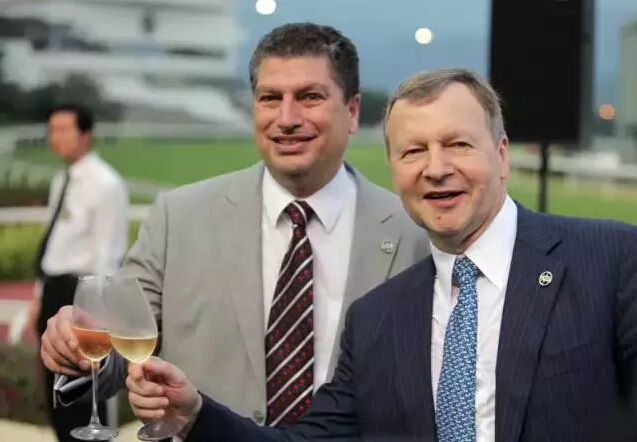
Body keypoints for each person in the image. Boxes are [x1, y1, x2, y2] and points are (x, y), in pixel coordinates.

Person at [125, 68, 637, 442]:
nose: (436, 168)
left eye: (458, 145)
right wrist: (195, 414)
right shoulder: (376, 319)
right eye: (413, 151)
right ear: (393, 169)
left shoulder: (609, 261)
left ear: (501, 156)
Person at [39, 22, 430, 430]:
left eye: (310, 97)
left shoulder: (414, 234)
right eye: (270, 98)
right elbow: (118, 350)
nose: (287, 118)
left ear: (352, 111)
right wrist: (76, 351)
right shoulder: (178, 219)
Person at [29, 102, 129, 442]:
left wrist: (98, 316)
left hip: (81, 296)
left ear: (86, 134)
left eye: (63, 129)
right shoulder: (63, 179)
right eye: (51, 130)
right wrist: (39, 295)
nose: (54, 137)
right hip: (53, 291)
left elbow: (109, 256)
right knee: (55, 394)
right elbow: (54, 243)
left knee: (83, 396)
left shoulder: (106, 184)